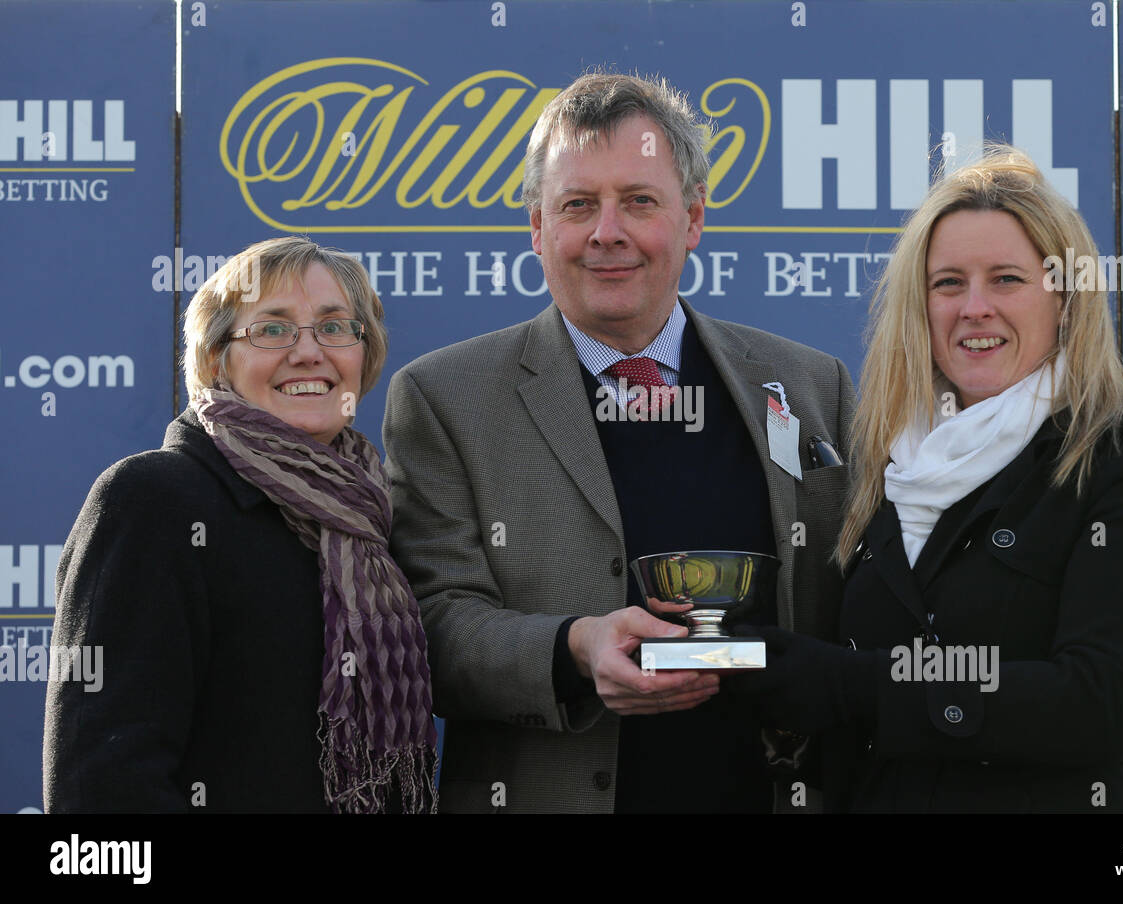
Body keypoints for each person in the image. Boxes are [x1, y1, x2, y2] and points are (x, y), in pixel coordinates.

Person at [383, 71, 856, 813]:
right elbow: (431, 632)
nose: (609, 232)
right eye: (578, 205)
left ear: (693, 219)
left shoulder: (809, 384)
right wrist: (573, 647)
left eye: (640, 201)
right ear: (538, 228)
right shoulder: (445, 399)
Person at [731, 146, 1123, 812]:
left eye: (1007, 279)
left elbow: (1100, 702)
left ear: (1066, 299)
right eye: (948, 283)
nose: (974, 307)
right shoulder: (885, 465)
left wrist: (852, 686)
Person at [43, 236, 438, 813]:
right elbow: (99, 788)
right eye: (272, 330)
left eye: (334, 327)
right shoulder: (153, 501)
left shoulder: (371, 516)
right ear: (215, 361)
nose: (309, 353)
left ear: (364, 353)